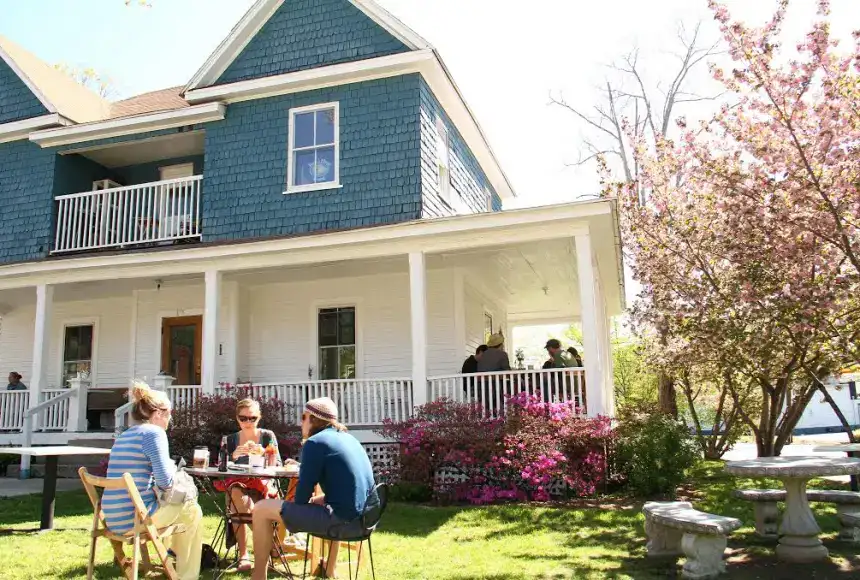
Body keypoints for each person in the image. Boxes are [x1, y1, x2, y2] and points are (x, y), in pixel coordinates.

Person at [250, 397, 375, 580]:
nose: (301, 422)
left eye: (303, 417)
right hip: (366, 520)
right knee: (323, 501)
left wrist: (293, 505)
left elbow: (300, 499)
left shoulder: (314, 443)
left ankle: (258, 577)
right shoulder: (349, 439)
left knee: (261, 508)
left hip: (343, 522)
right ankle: (329, 571)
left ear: (314, 420)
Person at [102, 382, 203, 580]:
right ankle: (185, 575)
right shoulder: (154, 434)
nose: (170, 419)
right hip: (135, 519)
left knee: (177, 507)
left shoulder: (124, 435)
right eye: (169, 414)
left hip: (113, 519)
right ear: (158, 414)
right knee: (192, 510)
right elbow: (165, 483)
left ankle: (168, 559)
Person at [220, 399, 281, 572]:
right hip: (238, 483)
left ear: (259, 418)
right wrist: (232, 456)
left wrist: (264, 453)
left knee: (242, 502)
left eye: (252, 418)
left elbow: (277, 464)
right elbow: (220, 466)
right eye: (243, 418)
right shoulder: (230, 440)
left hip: (263, 482)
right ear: (237, 418)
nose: (248, 422)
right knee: (236, 494)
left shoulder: (267, 436)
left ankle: (267, 546)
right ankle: (245, 555)